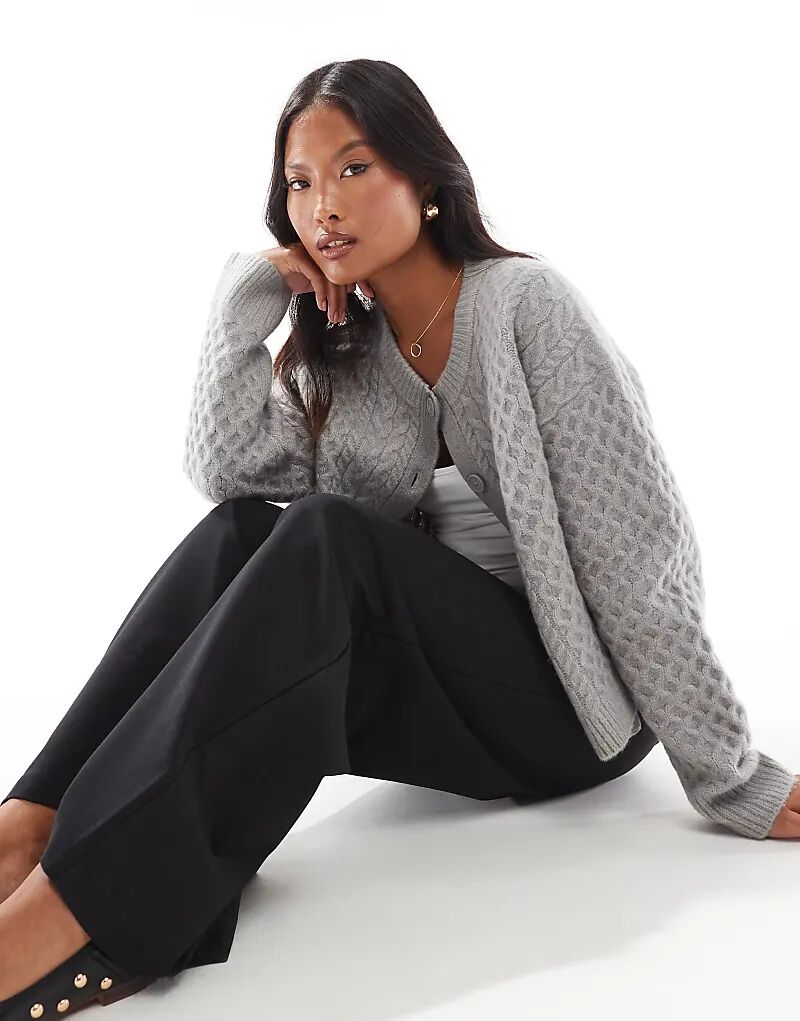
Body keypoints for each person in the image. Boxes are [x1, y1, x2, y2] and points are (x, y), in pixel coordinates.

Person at [1, 57, 797, 1018]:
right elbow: (231, 475)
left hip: (572, 712)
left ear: (424, 178)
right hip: (443, 695)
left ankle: (74, 912)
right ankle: (30, 823)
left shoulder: (527, 306)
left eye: (353, 168)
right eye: (300, 183)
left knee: (326, 535)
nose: (322, 207)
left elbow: (640, 559)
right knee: (242, 531)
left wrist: (728, 771)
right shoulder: (341, 342)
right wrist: (245, 304)